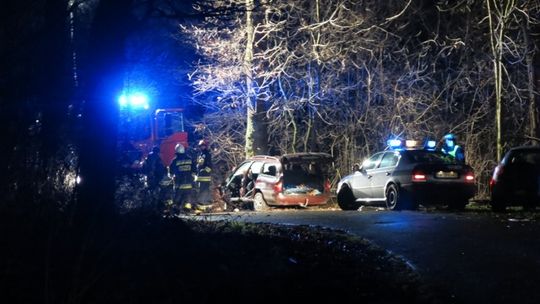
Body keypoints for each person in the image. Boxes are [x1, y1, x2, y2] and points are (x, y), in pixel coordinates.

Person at [169, 143, 195, 214]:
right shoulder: (190, 159)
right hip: (188, 183)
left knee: (177, 198)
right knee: (188, 198)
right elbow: (194, 170)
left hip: (179, 184)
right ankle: (187, 210)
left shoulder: (175, 161)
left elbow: (171, 172)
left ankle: (176, 211)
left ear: (176, 151)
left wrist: (172, 177)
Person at [195, 139, 213, 210]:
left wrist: (205, 171)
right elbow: (199, 164)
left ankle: (204, 202)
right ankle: (202, 202)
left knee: (204, 189)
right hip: (200, 176)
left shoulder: (207, 154)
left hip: (205, 176)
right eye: (200, 146)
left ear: (205, 146)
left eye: (202, 146)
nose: (201, 147)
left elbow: (210, 166)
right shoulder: (200, 154)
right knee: (201, 189)